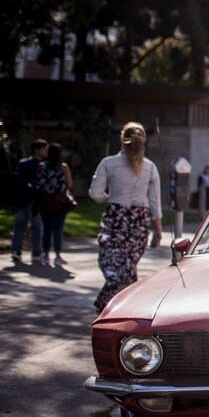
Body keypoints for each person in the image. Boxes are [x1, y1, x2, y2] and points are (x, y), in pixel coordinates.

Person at [89, 122, 162, 312]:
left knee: (118, 268)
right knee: (128, 267)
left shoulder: (108, 163)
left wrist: (111, 198)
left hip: (116, 218)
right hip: (140, 221)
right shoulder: (150, 167)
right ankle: (126, 307)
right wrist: (159, 231)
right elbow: (155, 201)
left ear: (122, 139)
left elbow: (95, 193)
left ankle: (106, 305)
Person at [35, 143, 74, 266]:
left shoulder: (41, 166)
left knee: (46, 229)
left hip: (45, 201)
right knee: (58, 229)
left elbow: (38, 183)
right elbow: (69, 184)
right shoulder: (63, 167)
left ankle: (45, 255)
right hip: (59, 201)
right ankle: (57, 255)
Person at [10, 139, 47, 264]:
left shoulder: (22, 163)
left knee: (20, 226)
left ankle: (16, 251)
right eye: (43, 149)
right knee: (36, 227)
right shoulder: (41, 166)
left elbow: (16, 180)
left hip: (23, 200)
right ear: (37, 150)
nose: (45, 151)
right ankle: (36, 253)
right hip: (34, 200)